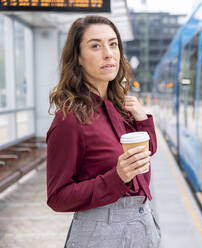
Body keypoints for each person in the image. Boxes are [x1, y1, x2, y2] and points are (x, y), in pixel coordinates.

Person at [46, 15, 161, 248]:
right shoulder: (70, 119)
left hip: (142, 224)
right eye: (96, 45)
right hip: (102, 232)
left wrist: (143, 120)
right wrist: (116, 178)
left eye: (113, 44)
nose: (109, 53)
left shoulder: (120, 106)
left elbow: (145, 155)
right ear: (78, 58)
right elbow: (57, 198)